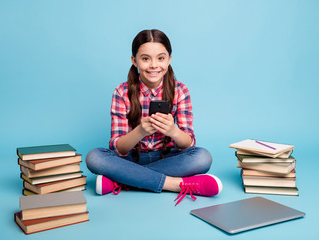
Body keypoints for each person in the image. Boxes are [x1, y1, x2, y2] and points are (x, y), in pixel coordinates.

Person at [86, 29, 222, 206]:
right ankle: (176, 184)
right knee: (94, 157)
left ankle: (121, 181)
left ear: (169, 59)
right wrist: (140, 131)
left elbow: (189, 144)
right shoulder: (122, 92)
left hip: (169, 159)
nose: (153, 65)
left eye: (160, 58)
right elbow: (119, 147)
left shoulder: (180, 91)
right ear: (134, 61)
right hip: (131, 158)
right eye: (145, 58)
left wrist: (173, 131)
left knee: (203, 157)